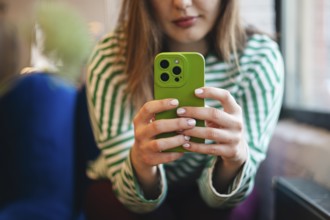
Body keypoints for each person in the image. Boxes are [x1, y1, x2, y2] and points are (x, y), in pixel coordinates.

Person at [85, 0, 284, 219]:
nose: (182, 3)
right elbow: (133, 198)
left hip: (208, 193)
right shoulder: (111, 57)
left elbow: (227, 196)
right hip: (126, 187)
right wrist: (141, 164)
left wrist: (233, 161)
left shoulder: (258, 59)